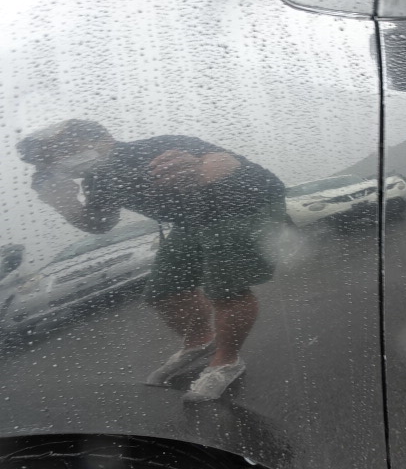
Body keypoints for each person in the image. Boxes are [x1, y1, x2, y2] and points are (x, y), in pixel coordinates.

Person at [17, 119, 286, 401]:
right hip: (192, 220)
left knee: (226, 289)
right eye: (49, 161)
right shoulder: (97, 182)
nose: (60, 161)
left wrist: (200, 169)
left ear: (103, 138)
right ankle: (200, 342)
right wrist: (65, 204)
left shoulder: (156, 147)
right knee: (164, 291)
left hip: (247, 204)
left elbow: (224, 160)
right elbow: (99, 225)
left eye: (65, 150)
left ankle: (227, 361)